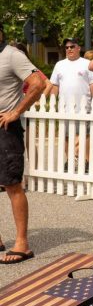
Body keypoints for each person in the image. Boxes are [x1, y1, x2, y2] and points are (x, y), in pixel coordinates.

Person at [0, 23, 46, 264]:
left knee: (12, 185)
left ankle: (22, 244)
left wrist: (15, 111)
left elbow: (38, 83)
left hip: (6, 129)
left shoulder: (12, 55)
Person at [46, 37, 93, 110]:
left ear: (79, 48)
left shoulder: (88, 63)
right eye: (67, 47)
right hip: (63, 109)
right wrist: (52, 105)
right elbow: (55, 85)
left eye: (72, 47)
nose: (69, 49)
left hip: (84, 109)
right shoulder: (59, 64)